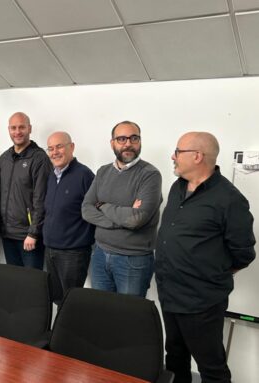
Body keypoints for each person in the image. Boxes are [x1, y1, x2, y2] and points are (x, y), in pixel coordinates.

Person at [155, 132, 255, 383]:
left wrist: (210, 275)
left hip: (201, 301)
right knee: (175, 357)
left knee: (211, 366)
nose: (173, 157)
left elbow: (243, 253)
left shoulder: (229, 199)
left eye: (178, 152)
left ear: (197, 156)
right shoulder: (178, 187)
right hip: (170, 293)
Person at [82, 121, 162, 297]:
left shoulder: (150, 175)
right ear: (112, 143)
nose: (128, 144)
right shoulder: (103, 172)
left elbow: (136, 219)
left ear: (140, 141)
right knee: (101, 311)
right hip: (100, 255)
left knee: (128, 318)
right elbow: (86, 209)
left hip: (133, 261)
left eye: (134, 138)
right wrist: (121, 218)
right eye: (121, 139)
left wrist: (102, 205)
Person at [43, 132, 95, 306]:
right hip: (51, 249)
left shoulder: (85, 175)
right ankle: (59, 333)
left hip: (73, 252)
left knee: (72, 302)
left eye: (59, 146)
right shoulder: (52, 175)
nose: (54, 152)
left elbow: (96, 211)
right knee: (57, 299)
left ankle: (71, 333)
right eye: (50, 148)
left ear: (71, 147)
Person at [0, 112, 52, 269]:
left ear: (30, 129)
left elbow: (41, 198)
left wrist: (33, 233)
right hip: (8, 234)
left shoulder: (39, 158)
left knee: (32, 284)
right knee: (15, 282)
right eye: (13, 128)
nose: (17, 132)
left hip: (28, 236)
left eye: (22, 127)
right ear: (8, 130)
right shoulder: (4, 158)